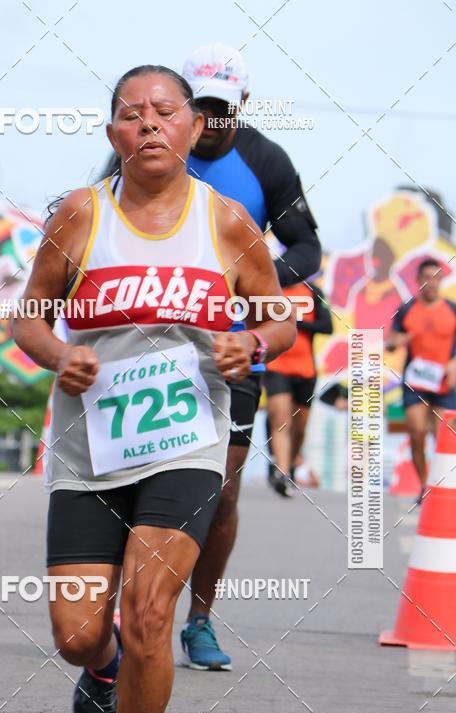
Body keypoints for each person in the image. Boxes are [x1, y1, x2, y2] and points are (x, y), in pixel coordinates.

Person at [12, 64, 296, 713]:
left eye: (164, 112)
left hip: (187, 442)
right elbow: (30, 316)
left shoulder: (228, 222)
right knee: (78, 634)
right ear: (113, 135)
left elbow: (280, 321)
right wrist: (52, 354)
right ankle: (100, 672)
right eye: (131, 115)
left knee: (148, 613)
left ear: (192, 128)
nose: (148, 125)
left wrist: (253, 340)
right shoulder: (79, 215)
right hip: (90, 447)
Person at [179, 43, 321, 669]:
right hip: (148, 344)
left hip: (233, 349)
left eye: (219, 107)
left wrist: (255, 276)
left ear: (241, 104)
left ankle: (199, 619)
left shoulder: (265, 159)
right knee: (130, 482)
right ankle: (131, 610)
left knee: (222, 493)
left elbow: (307, 244)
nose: (207, 121)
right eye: (198, 106)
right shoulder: (151, 146)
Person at [386, 258, 456, 503]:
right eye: (427, 278)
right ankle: (425, 485)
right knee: (416, 432)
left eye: (436, 278)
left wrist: (454, 362)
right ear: (418, 281)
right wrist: (397, 342)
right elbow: (391, 341)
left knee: (443, 438)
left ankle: (442, 487)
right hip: (416, 383)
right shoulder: (407, 309)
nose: (432, 283)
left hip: (444, 383)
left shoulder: (452, 309)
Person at [264, 281, 332, 497]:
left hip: (305, 370)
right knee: (280, 420)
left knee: (299, 426)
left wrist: (295, 321)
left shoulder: (313, 292)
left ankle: (290, 464)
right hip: (276, 366)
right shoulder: (270, 289)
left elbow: (327, 326)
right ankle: (282, 472)